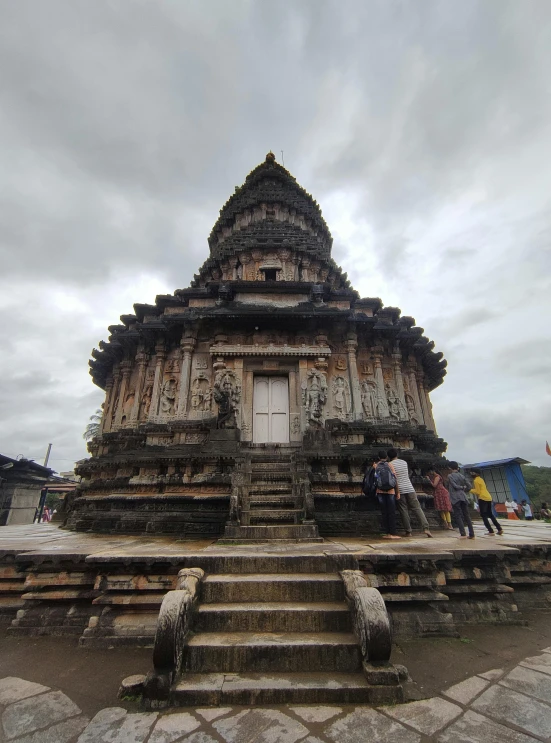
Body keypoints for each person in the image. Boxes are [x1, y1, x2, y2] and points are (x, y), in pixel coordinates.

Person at [387, 449, 432, 538]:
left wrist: (397, 491)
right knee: (417, 508)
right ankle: (426, 528)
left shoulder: (390, 465)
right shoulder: (404, 462)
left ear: (389, 456)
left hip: (399, 489)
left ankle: (408, 531)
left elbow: (394, 478)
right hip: (409, 487)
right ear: (397, 454)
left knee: (403, 509)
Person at [375, 451, 401, 540]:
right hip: (390, 491)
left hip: (380, 491)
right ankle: (392, 533)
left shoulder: (376, 465)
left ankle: (387, 533)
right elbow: (395, 478)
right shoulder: (389, 465)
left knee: (384, 512)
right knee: (391, 512)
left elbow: (374, 479)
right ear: (386, 457)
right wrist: (398, 492)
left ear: (378, 457)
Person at [469, 468, 503, 536]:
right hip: (488, 497)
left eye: (472, 473)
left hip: (482, 498)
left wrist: (470, 490)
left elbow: (478, 491)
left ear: (475, 473)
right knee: (490, 514)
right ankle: (499, 528)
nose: (471, 474)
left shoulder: (476, 481)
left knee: (483, 515)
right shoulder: (481, 479)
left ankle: (490, 530)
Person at [448, 462, 475, 539]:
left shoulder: (450, 476)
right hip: (463, 496)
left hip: (455, 498)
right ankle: (472, 534)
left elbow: (455, 486)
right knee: (467, 515)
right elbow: (469, 486)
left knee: (458, 515)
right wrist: (464, 489)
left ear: (450, 468)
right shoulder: (461, 475)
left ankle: (463, 533)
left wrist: (461, 487)